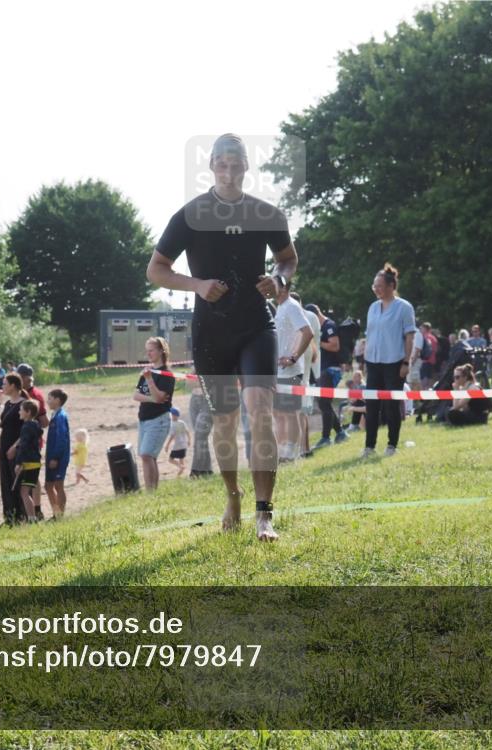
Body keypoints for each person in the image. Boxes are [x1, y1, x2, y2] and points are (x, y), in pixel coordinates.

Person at [146, 133, 295, 541]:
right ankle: (233, 495)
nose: (229, 170)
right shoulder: (191, 215)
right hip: (211, 332)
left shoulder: (265, 214)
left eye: (237, 163)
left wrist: (279, 280)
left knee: (260, 408)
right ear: (212, 166)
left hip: (255, 325)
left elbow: (288, 259)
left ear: (246, 166)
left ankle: (265, 514)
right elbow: (156, 269)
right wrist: (196, 284)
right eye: (222, 163)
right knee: (225, 423)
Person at [361, 264, 417, 459]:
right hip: (373, 362)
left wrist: (406, 363)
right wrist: (364, 359)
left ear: (391, 285)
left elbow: (410, 337)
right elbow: (370, 335)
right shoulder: (372, 308)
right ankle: (369, 446)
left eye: (380, 285)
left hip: (394, 362)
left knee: (391, 406)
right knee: (372, 405)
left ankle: (392, 444)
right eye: (374, 286)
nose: (376, 289)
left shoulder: (404, 307)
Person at [272, 281, 313, 462]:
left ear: (283, 287)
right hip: (279, 371)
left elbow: (307, 332)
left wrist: (294, 357)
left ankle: (292, 454)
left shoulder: (291, 306)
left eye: (273, 285)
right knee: (280, 414)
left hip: (291, 371)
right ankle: (282, 453)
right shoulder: (280, 307)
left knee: (291, 413)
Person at [132, 337, 175, 492]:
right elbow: (136, 396)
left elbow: (160, 398)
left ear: (161, 351)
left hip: (159, 419)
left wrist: (150, 380)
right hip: (144, 419)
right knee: (147, 457)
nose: (148, 353)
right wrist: (152, 398)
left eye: (151, 350)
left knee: (146, 455)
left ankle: (151, 492)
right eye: (147, 350)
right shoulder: (147, 371)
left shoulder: (166, 374)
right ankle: (151, 493)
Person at [308, 305, 348, 450]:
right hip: (322, 369)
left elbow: (335, 345)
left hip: (330, 370)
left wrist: (316, 341)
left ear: (316, 315)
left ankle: (326, 438)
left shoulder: (329, 325)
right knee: (324, 403)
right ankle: (340, 432)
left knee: (324, 403)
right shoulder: (319, 327)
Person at [0, 373, 28, 524]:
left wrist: (15, 446)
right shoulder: (8, 404)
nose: (3, 387)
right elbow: (8, 424)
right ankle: (9, 517)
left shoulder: (25, 404)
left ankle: (21, 516)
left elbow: (27, 429)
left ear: (13, 385)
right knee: (6, 481)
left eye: (5, 384)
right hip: (4, 445)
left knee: (17, 481)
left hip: (17, 448)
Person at [16, 363, 49, 520]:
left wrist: (30, 430)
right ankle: (32, 511)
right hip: (27, 439)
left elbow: (43, 420)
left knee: (33, 480)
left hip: (30, 444)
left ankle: (36, 509)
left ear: (27, 378)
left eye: (20, 377)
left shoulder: (35, 394)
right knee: (32, 480)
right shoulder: (21, 392)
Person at [291, 293, 319, 459]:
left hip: (299, 361)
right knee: (301, 412)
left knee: (297, 412)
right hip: (304, 362)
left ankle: (300, 448)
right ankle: (304, 448)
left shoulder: (302, 317)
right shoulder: (310, 317)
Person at [15, 400, 44, 523]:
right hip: (35, 462)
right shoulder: (35, 424)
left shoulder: (26, 427)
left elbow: (24, 446)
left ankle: (32, 518)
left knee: (24, 492)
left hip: (29, 463)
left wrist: (19, 463)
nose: (19, 412)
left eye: (21, 409)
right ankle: (32, 517)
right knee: (27, 490)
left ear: (28, 412)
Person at [44, 389, 70, 519]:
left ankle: (60, 515)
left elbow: (62, 439)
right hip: (51, 456)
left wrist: (55, 457)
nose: (47, 401)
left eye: (49, 398)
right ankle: (56, 513)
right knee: (48, 485)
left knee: (58, 484)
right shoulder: (54, 415)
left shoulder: (61, 416)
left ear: (57, 400)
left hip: (59, 457)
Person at [187, 372, 214, 478]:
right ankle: (207, 470)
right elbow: (188, 384)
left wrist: (198, 381)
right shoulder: (195, 363)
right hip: (194, 399)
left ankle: (196, 471)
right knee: (200, 437)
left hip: (209, 399)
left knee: (200, 435)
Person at [165, 407, 191, 476]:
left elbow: (172, 436)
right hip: (184, 445)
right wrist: (189, 440)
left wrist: (167, 445)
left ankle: (180, 466)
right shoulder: (182, 423)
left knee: (170, 460)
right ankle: (178, 476)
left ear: (173, 415)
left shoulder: (172, 424)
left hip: (177, 446)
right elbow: (187, 432)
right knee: (181, 460)